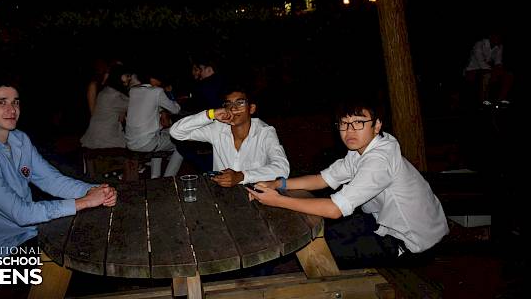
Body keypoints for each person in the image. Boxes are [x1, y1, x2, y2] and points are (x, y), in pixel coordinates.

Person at [0, 77, 117, 295]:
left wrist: (94, 191)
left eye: (15, 102)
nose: (12, 109)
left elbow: (51, 180)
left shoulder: (19, 139)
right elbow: (21, 213)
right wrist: (84, 202)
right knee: (82, 274)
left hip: (25, 235)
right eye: (2, 102)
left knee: (94, 254)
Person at [247, 95, 448, 268]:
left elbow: (335, 209)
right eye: (344, 123)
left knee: (313, 253)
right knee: (317, 237)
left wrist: (278, 200)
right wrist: (278, 184)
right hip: (382, 223)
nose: (350, 131)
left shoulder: (379, 160)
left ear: (377, 125)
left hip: (412, 243)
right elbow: (322, 179)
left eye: (359, 122)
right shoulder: (362, 150)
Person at [170, 84, 289, 187]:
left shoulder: (265, 132)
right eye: (229, 104)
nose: (233, 108)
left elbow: (282, 168)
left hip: (255, 192)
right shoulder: (218, 128)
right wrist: (210, 114)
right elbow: (176, 132)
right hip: (221, 193)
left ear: (251, 109)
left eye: (240, 103)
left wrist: (241, 176)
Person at [124, 69, 184, 179]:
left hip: (130, 142)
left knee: (159, 137)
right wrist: (169, 93)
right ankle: (168, 179)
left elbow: (148, 106)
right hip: (146, 143)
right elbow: (176, 109)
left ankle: (155, 177)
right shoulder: (157, 91)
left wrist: (162, 111)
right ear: (153, 79)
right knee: (183, 145)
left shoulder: (133, 90)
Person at [80, 63, 134, 149]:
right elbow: (134, 105)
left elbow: (121, 115)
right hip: (104, 136)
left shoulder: (107, 90)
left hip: (95, 133)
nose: (130, 78)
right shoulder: (113, 94)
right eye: (127, 75)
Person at [464, 32, 514, 107]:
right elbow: (481, 63)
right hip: (472, 69)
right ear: (491, 36)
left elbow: (498, 61)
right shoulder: (479, 44)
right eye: (496, 36)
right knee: (487, 74)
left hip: (488, 68)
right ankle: (483, 100)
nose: (498, 38)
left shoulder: (499, 46)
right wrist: (494, 70)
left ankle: (500, 99)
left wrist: (499, 68)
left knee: (509, 75)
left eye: (499, 37)